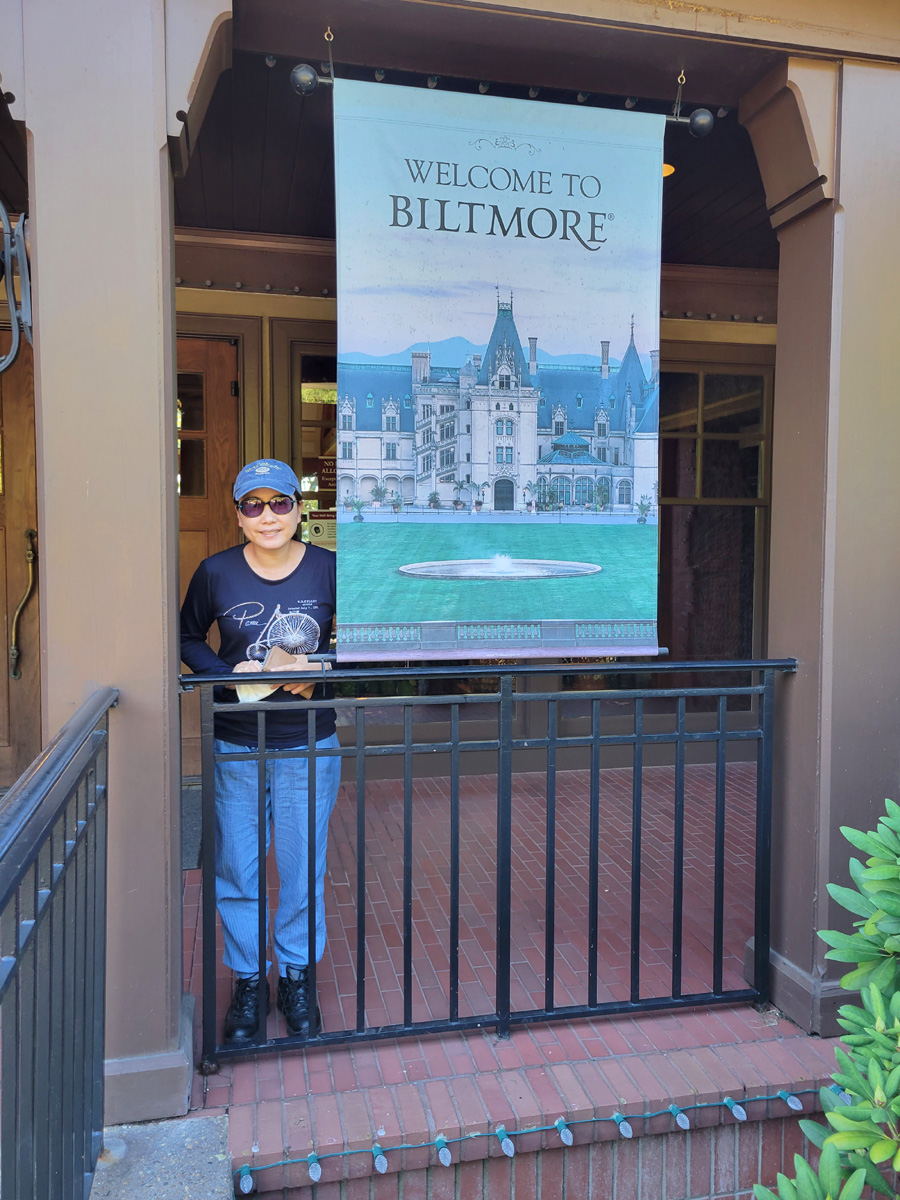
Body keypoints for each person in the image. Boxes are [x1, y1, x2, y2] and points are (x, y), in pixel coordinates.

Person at [180, 458, 340, 1045]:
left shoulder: (328, 569)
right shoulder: (216, 573)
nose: (267, 516)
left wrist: (319, 670)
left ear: (299, 508)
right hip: (238, 743)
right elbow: (187, 636)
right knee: (238, 868)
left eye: (279, 503)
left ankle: (296, 976)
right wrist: (228, 674)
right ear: (238, 514)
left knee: (302, 869)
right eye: (253, 504)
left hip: (309, 743)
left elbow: (358, 644)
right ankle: (250, 981)